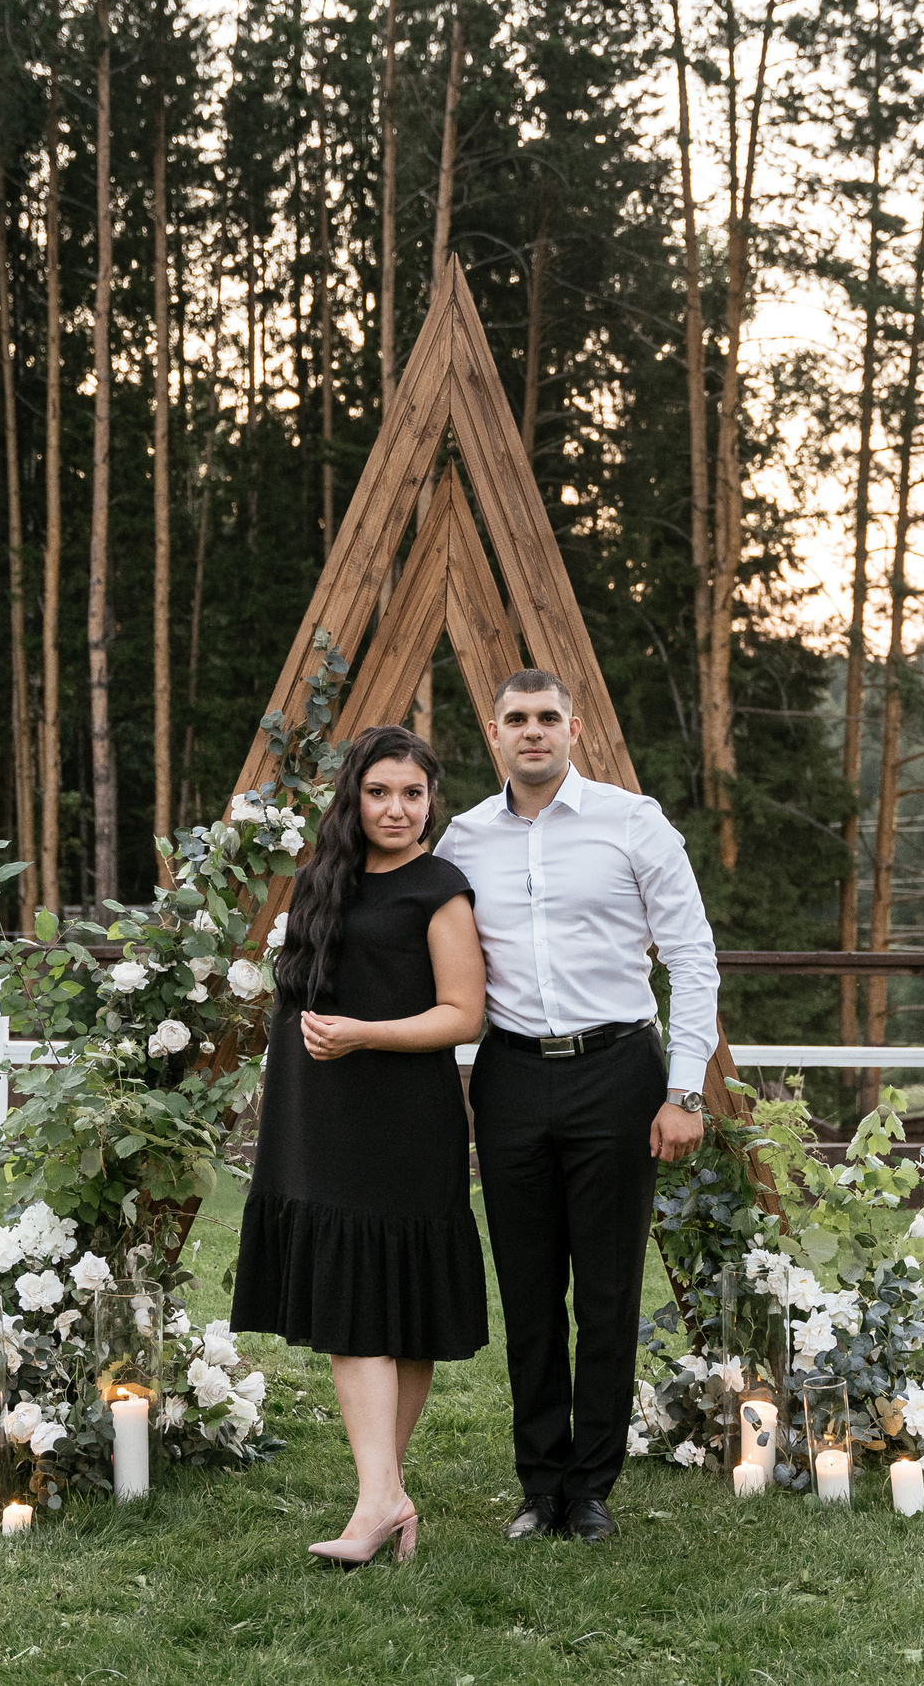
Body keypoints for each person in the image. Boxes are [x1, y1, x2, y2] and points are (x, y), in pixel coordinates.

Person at [433, 668, 719, 1544]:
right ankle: (540, 1483)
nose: (533, 731)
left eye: (547, 717)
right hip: (512, 1074)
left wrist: (683, 1090)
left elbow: (692, 956)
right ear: (494, 733)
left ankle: (591, 1486)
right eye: (517, 718)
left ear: (574, 728)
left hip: (618, 1071)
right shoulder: (462, 839)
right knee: (527, 1292)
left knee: (605, 1291)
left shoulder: (634, 823)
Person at [230, 723, 489, 1568]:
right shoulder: (318, 881)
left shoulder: (441, 888)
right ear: (355, 797)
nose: (397, 808)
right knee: (356, 1301)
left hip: (404, 1117)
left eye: (413, 793)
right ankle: (383, 1494)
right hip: (320, 1112)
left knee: (396, 1308)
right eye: (380, 792)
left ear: (431, 800)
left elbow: (464, 1013)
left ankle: (380, 1496)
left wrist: (365, 1033)